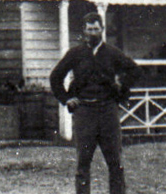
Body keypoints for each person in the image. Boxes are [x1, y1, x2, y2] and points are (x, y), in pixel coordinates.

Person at [49, 12, 141, 194]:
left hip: (108, 111)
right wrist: (67, 99)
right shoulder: (75, 54)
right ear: (84, 31)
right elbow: (55, 77)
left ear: (102, 30)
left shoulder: (112, 53)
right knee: (83, 162)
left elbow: (135, 71)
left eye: (96, 29)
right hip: (84, 112)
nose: (93, 33)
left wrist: (121, 87)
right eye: (89, 29)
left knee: (115, 162)